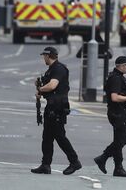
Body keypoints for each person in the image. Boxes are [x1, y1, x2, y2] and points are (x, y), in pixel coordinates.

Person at [31, 47, 81, 175]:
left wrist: (41, 89)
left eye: (44, 56)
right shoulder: (51, 70)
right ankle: (45, 165)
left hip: (58, 107)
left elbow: (53, 85)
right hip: (51, 106)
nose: (44, 58)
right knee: (47, 137)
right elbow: (49, 88)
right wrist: (40, 88)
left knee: (60, 137)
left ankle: (74, 161)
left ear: (49, 56)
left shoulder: (59, 68)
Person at [94, 56, 126, 177]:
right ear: (121, 66)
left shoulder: (119, 77)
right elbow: (114, 97)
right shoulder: (116, 79)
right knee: (122, 139)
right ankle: (103, 158)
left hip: (118, 111)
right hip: (117, 112)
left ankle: (118, 168)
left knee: (119, 139)